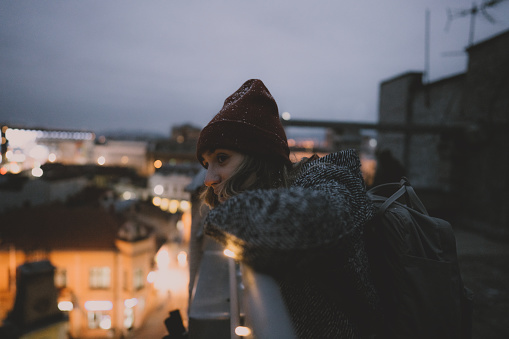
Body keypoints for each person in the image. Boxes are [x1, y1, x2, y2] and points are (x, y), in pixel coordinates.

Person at [196, 79, 380, 339]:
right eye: (206, 164)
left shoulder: (325, 180)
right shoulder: (279, 194)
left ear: (258, 156)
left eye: (222, 158)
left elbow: (324, 219)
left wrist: (222, 218)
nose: (208, 179)